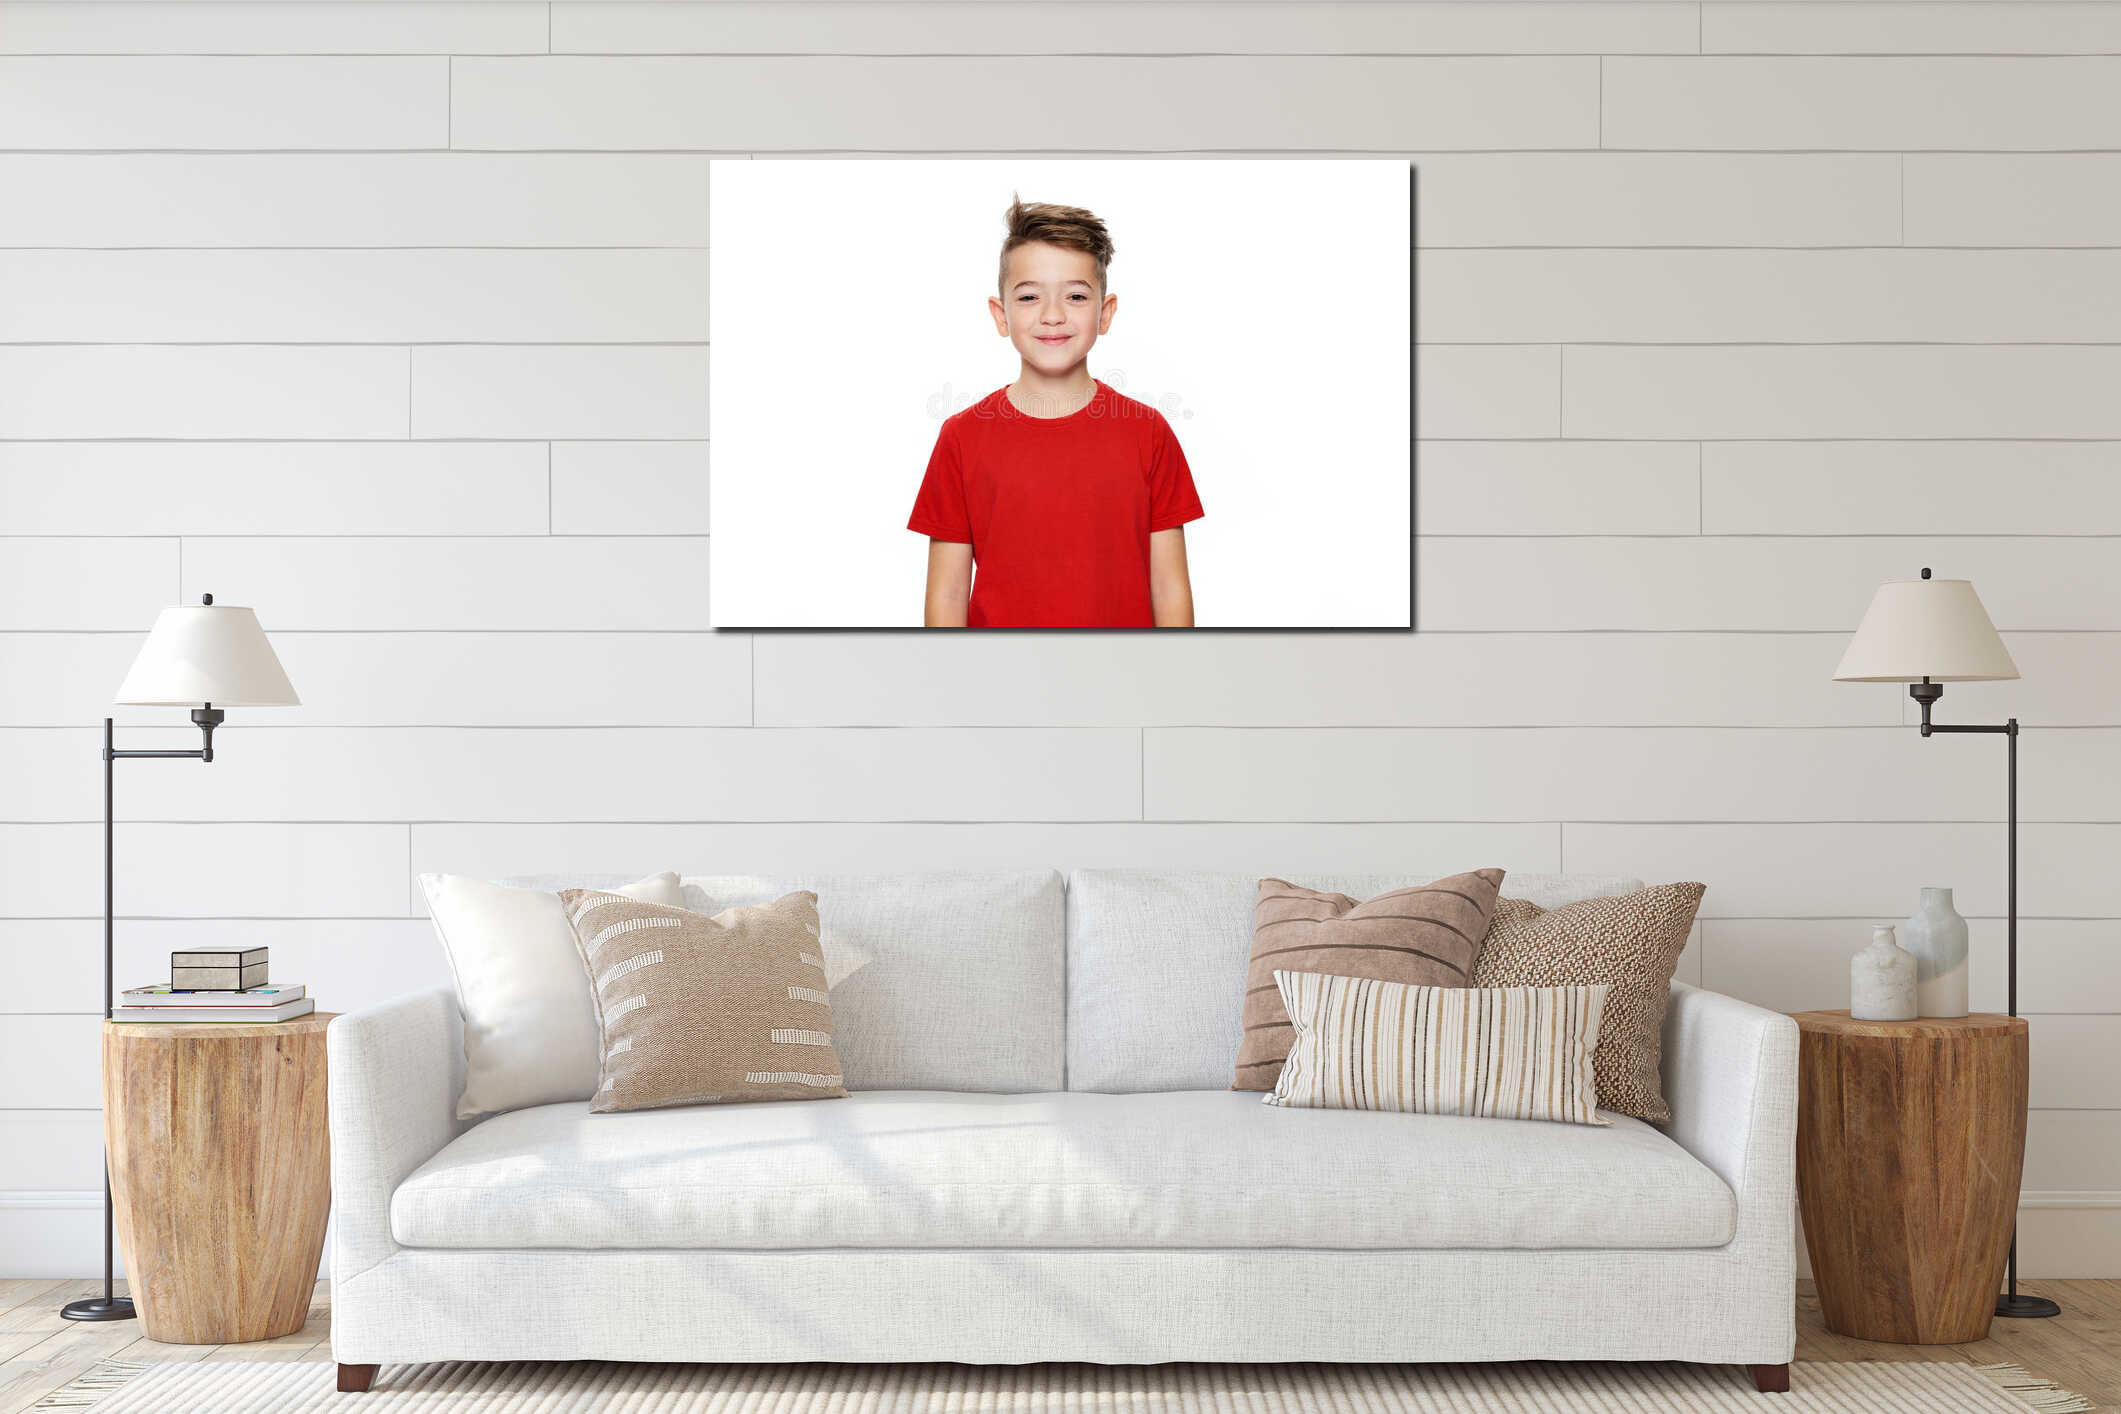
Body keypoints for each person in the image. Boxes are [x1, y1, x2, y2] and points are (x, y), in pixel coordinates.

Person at [908, 194, 1203, 627]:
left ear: (1105, 313)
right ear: (1001, 314)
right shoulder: (961, 437)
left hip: (1127, 683)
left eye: (1076, 297)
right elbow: (948, 594)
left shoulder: (1149, 433)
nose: (1052, 315)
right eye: (1029, 297)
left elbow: (1169, 588)